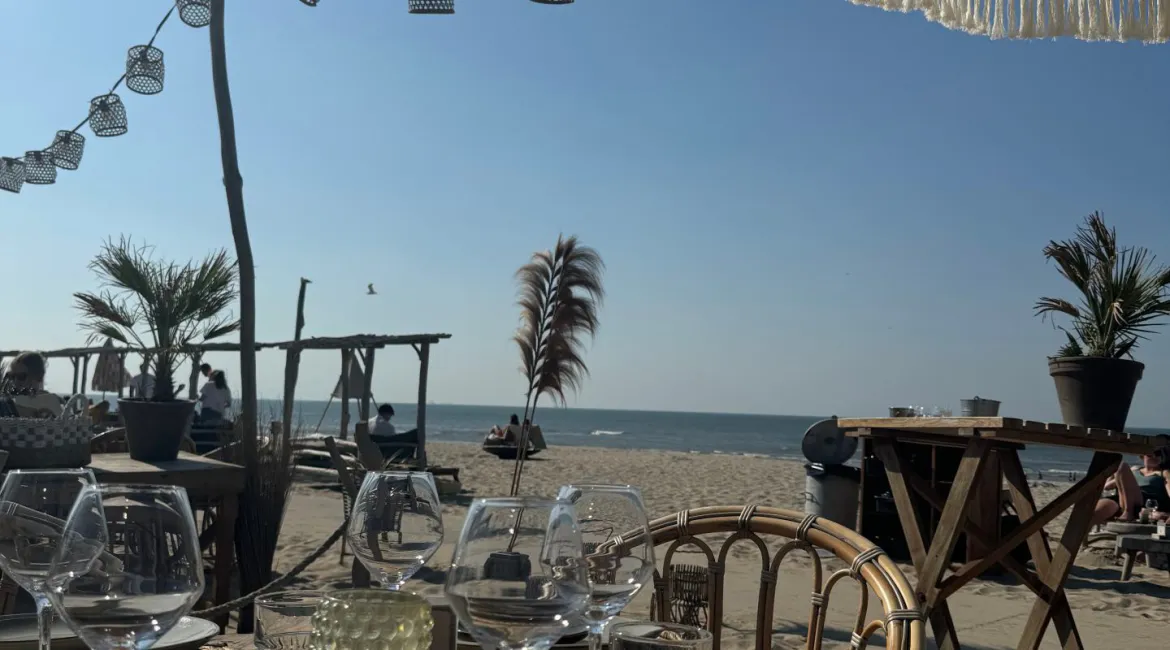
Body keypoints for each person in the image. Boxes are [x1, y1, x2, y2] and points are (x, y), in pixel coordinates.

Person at [1093, 447, 1170, 525]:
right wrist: (1115, 473)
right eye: (1150, 455)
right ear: (1142, 456)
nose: (1155, 457)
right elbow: (1107, 486)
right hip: (1122, 498)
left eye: (1158, 454)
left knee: (1122, 465)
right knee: (1096, 512)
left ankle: (1129, 512)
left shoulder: (1164, 473)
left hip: (1144, 501)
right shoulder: (1134, 470)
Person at [3, 351, 62, 418]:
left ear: (38, 377)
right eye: (12, 376)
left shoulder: (51, 402)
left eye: (21, 376)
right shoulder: (8, 403)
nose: (15, 381)